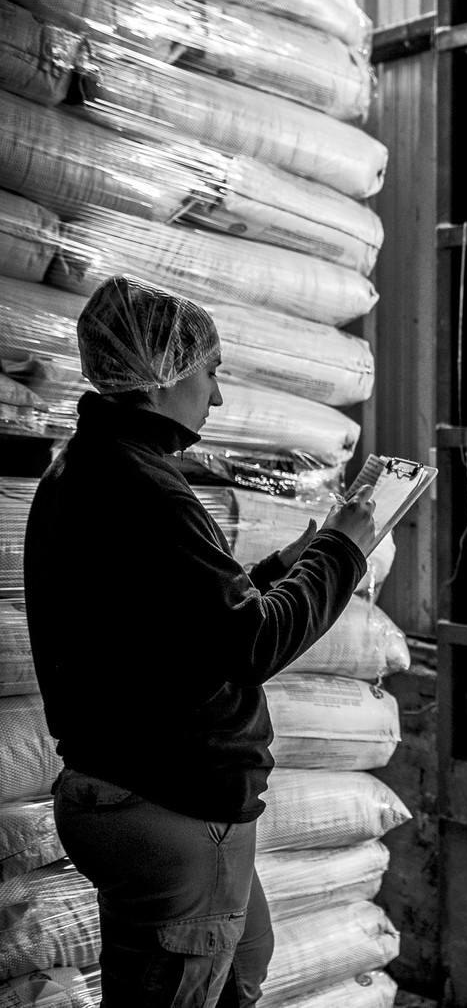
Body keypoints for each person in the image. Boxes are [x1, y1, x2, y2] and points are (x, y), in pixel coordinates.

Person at [23, 275, 378, 1008]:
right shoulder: (143, 486)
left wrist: (279, 570)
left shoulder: (96, 466)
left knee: (241, 966)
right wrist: (344, 551)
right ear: (162, 374)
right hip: (169, 802)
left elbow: (174, 617)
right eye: (210, 372)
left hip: (149, 794)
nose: (216, 397)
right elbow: (251, 645)